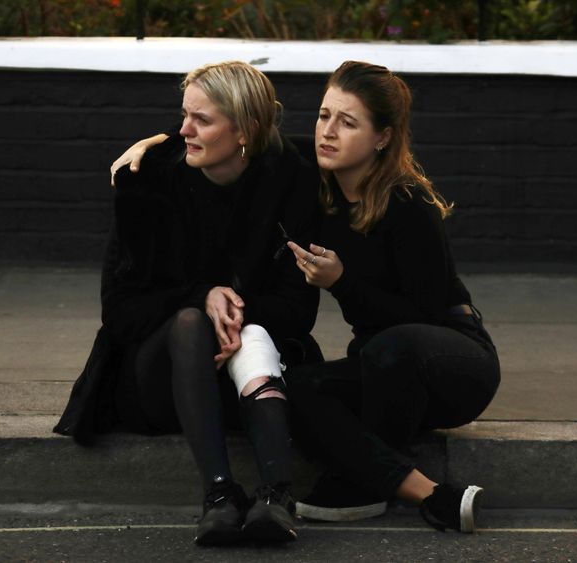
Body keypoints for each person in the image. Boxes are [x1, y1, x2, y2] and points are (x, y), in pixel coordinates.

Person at [111, 60, 501, 534]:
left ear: (381, 138)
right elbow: (239, 137)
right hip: (381, 371)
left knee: (392, 345)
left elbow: (423, 314)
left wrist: (341, 283)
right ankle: (429, 494)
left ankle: (362, 481)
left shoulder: (408, 205)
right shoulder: (318, 180)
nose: (328, 133)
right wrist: (156, 146)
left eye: (347, 122)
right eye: (323, 116)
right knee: (297, 385)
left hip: (452, 362)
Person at [54, 61, 321, 546]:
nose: (183, 130)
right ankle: (219, 495)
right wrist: (203, 297)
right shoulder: (148, 179)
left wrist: (236, 313)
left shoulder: (291, 180)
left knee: (255, 332)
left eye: (202, 119)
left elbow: (299, 311)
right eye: (184, 115)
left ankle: (274, 497)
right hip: (159, 380)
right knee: (189, 322)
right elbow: (119, 312)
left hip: (248, 375)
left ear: (246, 131)